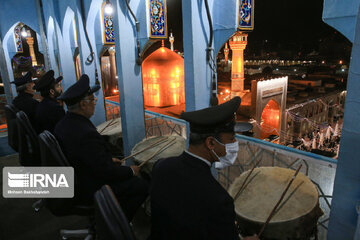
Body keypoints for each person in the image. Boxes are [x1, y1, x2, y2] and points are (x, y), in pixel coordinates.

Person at [150, 97, 258, 240]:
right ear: (211, 143)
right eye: (231, 139)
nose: (235, 144)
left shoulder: (161, 166)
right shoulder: (219, 200)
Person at [54, 74, 148, 221]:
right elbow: (104, 172)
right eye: (92, 100)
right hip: (88, 187)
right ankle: (115, 225)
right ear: (83, 105)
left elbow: (86, 157)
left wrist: (107, 160)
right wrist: (130, 171)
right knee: (140, 186)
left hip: (75, 179)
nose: (95, 103)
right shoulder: (85, 133)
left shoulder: (63, 124)